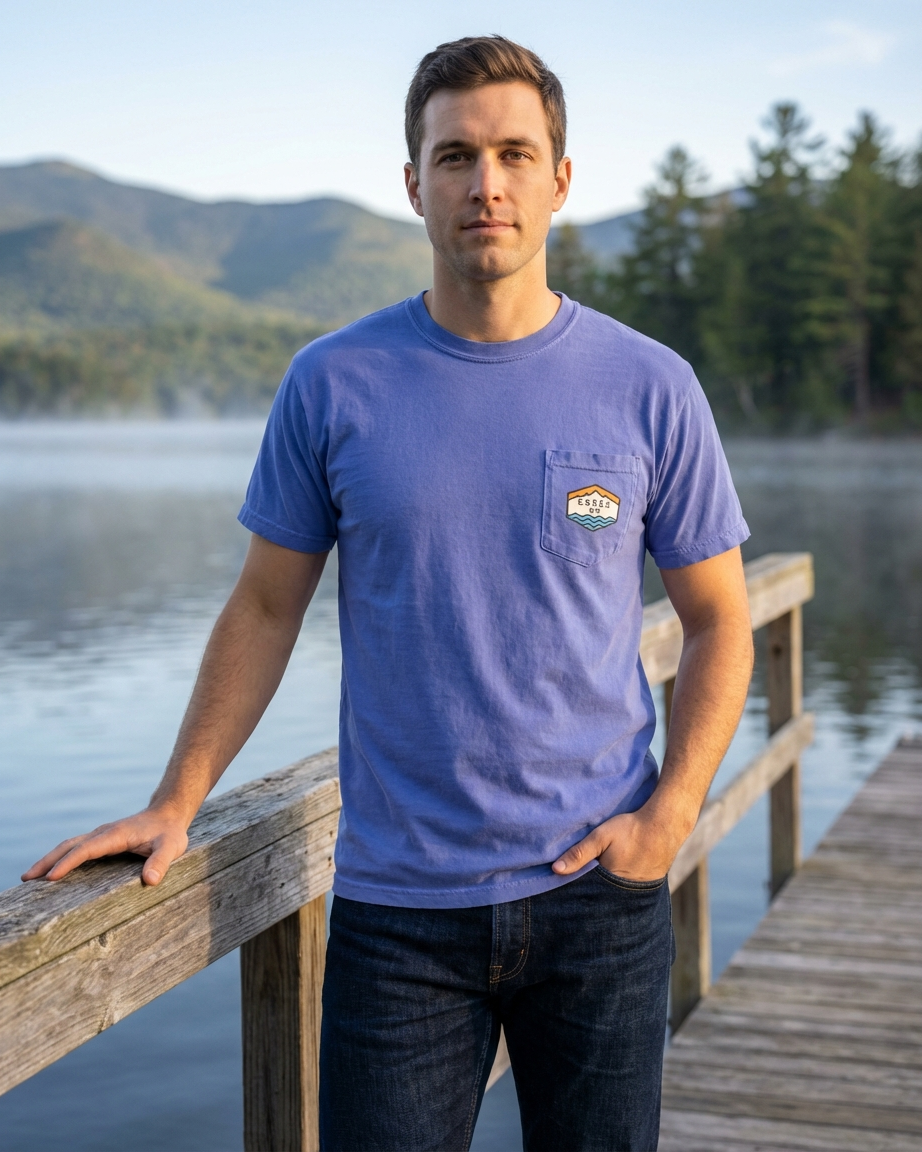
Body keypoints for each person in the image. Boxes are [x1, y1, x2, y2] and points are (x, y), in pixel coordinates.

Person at [24, 35, 754, 1152]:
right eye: (455, 155)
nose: (486, 184)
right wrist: (177, 800)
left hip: (597, 904)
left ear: (561, 179)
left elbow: (718, 621)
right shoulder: (333, 382)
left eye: (515, 153)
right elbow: (265, 608)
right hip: (398, 914)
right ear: (413, 183)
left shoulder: (650, 387)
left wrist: (670, 815)